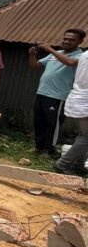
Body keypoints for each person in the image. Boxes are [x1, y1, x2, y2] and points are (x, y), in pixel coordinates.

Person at [29, 29, 85, 157]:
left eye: (71, 40)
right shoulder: (56, 54)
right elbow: (35, 66)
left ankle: (49, 150)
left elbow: (70, 62)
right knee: (38, 122)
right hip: (42, 92)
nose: (67, 41)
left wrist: (50, 50)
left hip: (58, 96)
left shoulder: (80, 56)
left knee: (52, 124)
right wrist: (32, 55)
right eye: (65, 39)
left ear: (80, 41)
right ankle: (39, 147)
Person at [54, 47, 88, 175]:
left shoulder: (85, 54)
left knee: (83, 135)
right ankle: (63, 164)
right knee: (86, 137)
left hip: (78, 98)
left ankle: (78, 164)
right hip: (85, 101)